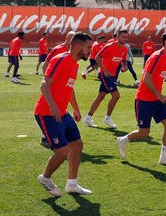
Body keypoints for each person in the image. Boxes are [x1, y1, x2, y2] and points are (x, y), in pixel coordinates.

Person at [35, 32, 94, 197]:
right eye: (88, 47)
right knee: (62, 152)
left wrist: (75, 108)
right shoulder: (61, 59)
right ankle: (45, 178)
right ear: (77, 46)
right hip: (47, 113)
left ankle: (72, 184)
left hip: (63, 113)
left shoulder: (74, 64)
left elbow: (69, 87)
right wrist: (53, 106)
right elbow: (44, 83)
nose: (91, 50)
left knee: (77, 145)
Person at [116, 33, 166, 167]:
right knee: (144, 132)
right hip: (144, 100)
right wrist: (159, 95)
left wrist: (159, 97)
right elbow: (146, 78)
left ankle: (163, 157)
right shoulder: (157, 56)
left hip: (157, 100)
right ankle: (123, 140)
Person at [83, 30, 129, 129]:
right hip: (105, 75)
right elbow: (97, 57)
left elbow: (124, 61)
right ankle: (108, 118)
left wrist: (124, 67)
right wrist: (105, 70)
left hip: (112, 76)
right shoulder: (109, 46)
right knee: (116, 96)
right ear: (118, 37)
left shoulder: (125, 49)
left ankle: (88, 117)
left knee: (100, 97)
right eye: (123, 37)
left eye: (126, 37)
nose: (125, 39)